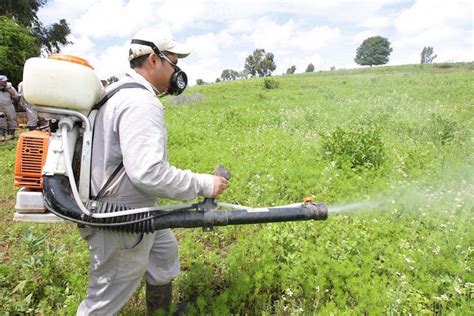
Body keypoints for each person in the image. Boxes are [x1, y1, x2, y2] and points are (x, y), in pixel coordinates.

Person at [77, 30, 228, 315]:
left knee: (163, 254)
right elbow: (148, 174)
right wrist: (204, 184)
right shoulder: (140, 103)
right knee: (103, 302)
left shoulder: (119, 92)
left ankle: (159, 312)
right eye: (174, 62)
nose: (177, 70)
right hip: (120, 216)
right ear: (154, 60)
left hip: (137, 209)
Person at [0, 75, 18, 141]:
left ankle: (12, 135)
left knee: (12, 119)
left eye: (6, 81)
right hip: (0, 107)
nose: (5, 82)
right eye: (3, 81)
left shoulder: (10, 87)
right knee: (1, 120)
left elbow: (16, 96)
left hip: (9, 105)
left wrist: (9, 90)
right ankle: (2, 136)